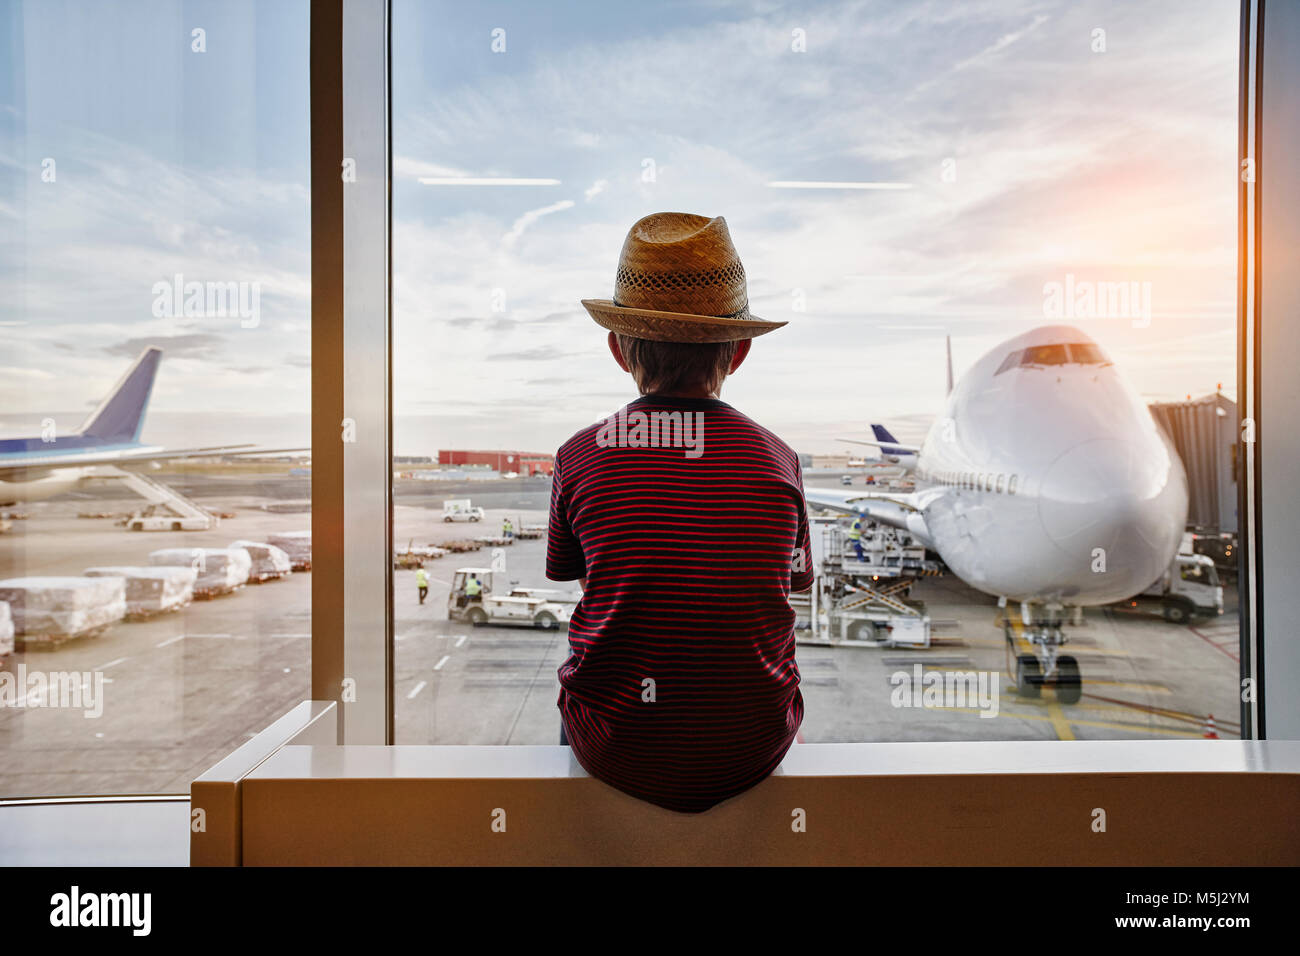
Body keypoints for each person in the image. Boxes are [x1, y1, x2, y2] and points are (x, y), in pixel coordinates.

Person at [546, 211, 813, 811]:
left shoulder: (580, 456)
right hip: (754, 743)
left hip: (614, 744)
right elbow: (786, 585)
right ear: (739, 351)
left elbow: (588, 581)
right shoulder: (781, 461)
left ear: (617, 349)